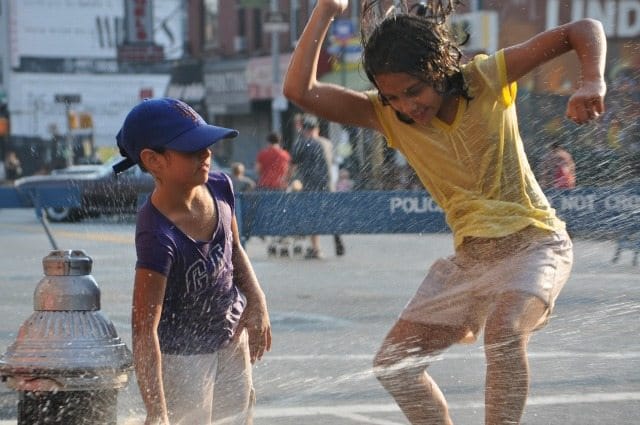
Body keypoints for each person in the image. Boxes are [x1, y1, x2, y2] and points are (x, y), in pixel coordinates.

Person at [283, 1, 606, 424]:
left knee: (505, 334)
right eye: (392, 96)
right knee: (394, 368)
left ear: (438, 67)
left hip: (535, 245)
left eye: (414, 91)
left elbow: (582, 28)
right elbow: (299, 92)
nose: (406, 106)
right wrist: (326, 10)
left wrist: (592, 81)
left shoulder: (487, 78)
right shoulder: (389, 118)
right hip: (471, 262)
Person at [112, 97, 271, 425]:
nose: (206, 154)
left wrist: (257, 300)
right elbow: (144, 330)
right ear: (153, 161)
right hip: (183, 358)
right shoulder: (156, 233)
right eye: (191, 149)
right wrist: (157, 410)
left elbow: (235, 248)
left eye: (207, 144)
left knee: (239, 419)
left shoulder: (220, 186)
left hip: (231, 339)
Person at [291, 114, 344, 258]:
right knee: (331, 214)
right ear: (317, 129)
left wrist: (289, 179)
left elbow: (293, 164)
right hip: (328, 185)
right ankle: (337, 237)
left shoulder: (302, 143)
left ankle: (316, 249)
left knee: (312, 216)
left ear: (304, 129)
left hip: (310, 187)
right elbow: (332, 163)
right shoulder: (327, 143)